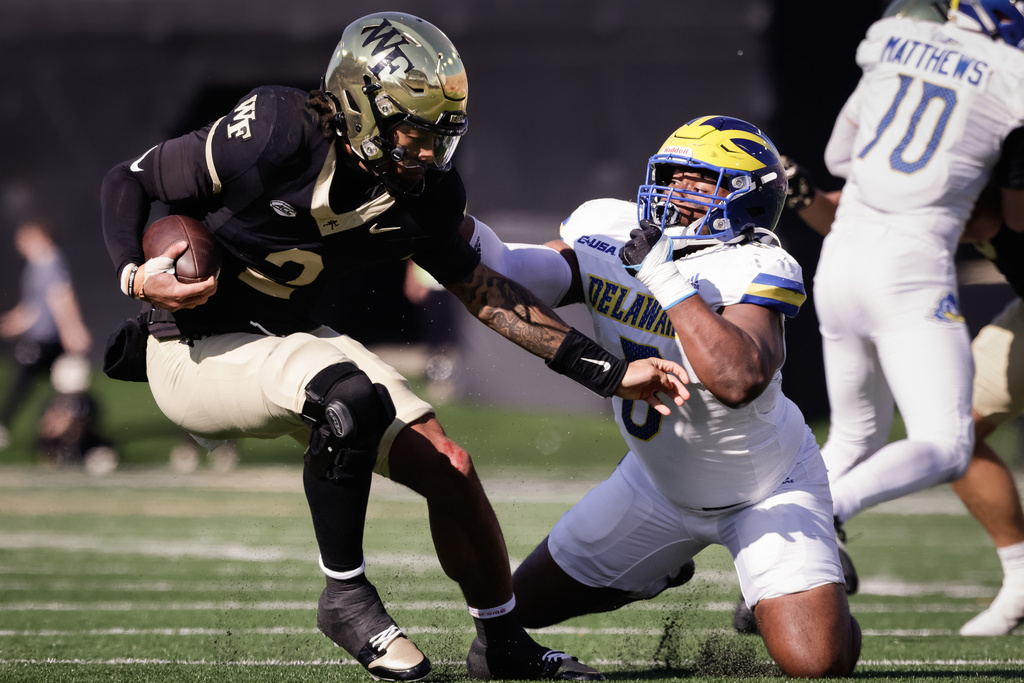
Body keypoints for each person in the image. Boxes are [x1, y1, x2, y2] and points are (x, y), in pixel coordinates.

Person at [99, 11, 687, 682]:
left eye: (443, 137)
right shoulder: (275, 132)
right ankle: (345, 595)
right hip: (191, 349)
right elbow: (130, 179)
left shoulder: (424, 194)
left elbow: (486, 293)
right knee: (346, 395)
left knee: (451, 466)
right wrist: (134, 273)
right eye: (415, 132)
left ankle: (501, 641)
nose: (430, 155)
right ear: (358, 108)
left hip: (285, 341)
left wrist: (611, 372)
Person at [470, 116, 861, 678]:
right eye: (672, 173)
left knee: (817, 664)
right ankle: (653, 570)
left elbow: (737, 379)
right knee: (517, 608)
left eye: (699, 179)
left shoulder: (757, 264)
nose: (676, 189)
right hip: (654, 486)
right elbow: (513, 269)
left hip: (765, 490)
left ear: (747, 199)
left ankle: (817, 598)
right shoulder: (611, 227)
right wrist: (454, 227)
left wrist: (665, 276)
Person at [780, 0, 1024, 637]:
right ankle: (828, 513)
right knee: (947, 442)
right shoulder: (1009, 80)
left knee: (857, 436)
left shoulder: (892, 46)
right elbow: (1011, 218)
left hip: (841, 266)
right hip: (911, 271)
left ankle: (774, 556)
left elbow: (841, 157)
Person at [0, 219, 92, 449]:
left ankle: (74, 436)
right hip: (43, 338)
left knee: (28, 383)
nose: (19, 243)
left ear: (39, 236)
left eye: (23, 237)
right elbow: (32, 309)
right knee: (57, 386)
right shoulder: (35, 266)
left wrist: (73, 330)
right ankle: (66, 434)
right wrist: (10, 323)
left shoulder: (50, 261)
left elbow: (61, 297)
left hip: (48, 340)